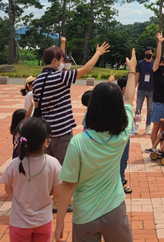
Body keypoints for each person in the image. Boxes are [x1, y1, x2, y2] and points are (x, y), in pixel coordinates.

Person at [54, 49, 138, 242]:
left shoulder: (78, 142)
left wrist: (59, 223)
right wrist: (132, 70)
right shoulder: (121, 136)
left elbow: (67, 185)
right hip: (115, 210)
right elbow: (129, 100)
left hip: (84, 215)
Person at [31, 42, 109, 165]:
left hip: (44, 131)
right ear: (55, 61)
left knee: (49, 167)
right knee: (66, 167)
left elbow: (36, 105)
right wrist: (98, 53)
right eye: (62, 61)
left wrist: (62, 46)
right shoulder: (60, 78)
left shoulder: (37, 81)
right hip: (61, 131)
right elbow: (86, 69)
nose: (63, 64)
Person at [1, 117, 62, 242]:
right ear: (46, 141)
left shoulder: (14, 164)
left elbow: (8, 190)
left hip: (19, 222)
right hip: (43, 220)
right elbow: (57, 191)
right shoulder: (53, 163)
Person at [134, 45, 155, 135]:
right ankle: (136, 126)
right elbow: (137, 75)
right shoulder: (140, 63)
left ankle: (148, 126)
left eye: (149, 53)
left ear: (152, 53)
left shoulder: (155, 64)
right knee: (138, 108)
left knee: (150, 109)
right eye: (146, 53)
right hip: (141, 88)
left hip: (151, 90)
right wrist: (134, 86)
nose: (147, 54)